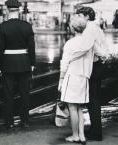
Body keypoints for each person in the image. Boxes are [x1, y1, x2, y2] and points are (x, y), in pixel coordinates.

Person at [64, 6, 110, 141]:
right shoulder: (95, 27)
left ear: (87, 17)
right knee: (93, 99)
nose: (78, 18)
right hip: (97, 64)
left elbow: (86, 47)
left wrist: (70, 57)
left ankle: (96, 132)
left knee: (93, 100)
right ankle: (94, 130)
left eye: (80, 15)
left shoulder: (89, 28)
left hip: (94, 67)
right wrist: (104, 55)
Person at [0, 0, 35, 128]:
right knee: (24, 92)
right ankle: (25, 121)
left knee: (8, 93)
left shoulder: (2, 26)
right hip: (24, 62)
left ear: (8, 10)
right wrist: (32, 63)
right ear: (18, 10)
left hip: (8, 63)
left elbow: (0, 48)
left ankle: (9, 122)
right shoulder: (27, 26)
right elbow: (31, 46)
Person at [58, 15, 88, 144]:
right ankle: (82, 135)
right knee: (80, 107)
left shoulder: (70, 43)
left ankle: (75, 136)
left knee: (72, 107)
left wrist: (61, 80)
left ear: (72, 28)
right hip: (84, 77)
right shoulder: (88, 42)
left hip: (72, 77)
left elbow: (64, 63)